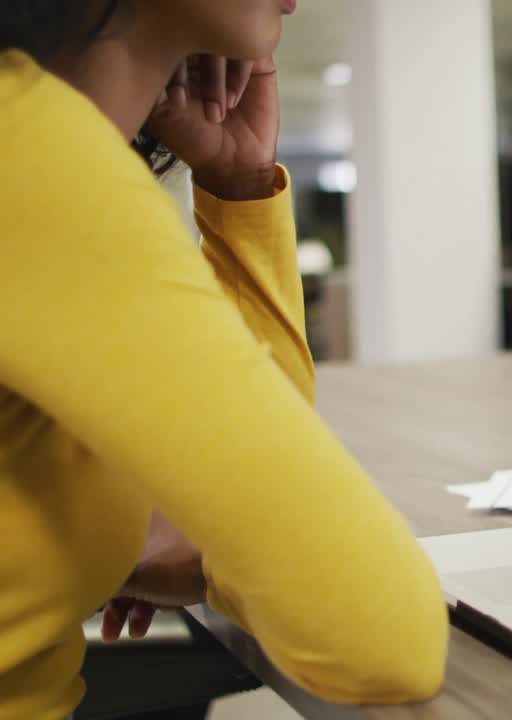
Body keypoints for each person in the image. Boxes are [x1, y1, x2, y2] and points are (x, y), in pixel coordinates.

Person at [0, 2, 448, 718]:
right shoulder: (28, 153)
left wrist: (240, 187)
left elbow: (267, 485)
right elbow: (383, 639)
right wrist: (217, 562)